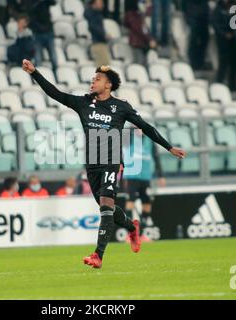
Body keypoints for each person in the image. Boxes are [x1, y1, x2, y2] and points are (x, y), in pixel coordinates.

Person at [22, 59, 186, 268]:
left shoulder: (121, 107)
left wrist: (169, 147)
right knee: (106, 206)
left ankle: (98, 255)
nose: (93, 82)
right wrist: (34, 72)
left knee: (106, 208)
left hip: (112, 161)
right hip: (92, 164)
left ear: (108, 85)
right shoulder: (83, 103)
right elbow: (55, 93)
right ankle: (131, 227)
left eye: (97, 79)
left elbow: (146, 127)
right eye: (93, 79)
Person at [123, 126, 166, 242]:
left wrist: (160, 175)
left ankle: (141, 234)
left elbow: (156, 158)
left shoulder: (150, 141)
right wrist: (133, 126)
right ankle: (129, 234)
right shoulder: (129, 138)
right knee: (130, 202)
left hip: (145, 177)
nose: (139, 129)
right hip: (131, 176)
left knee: (147, 203)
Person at [23, 0, 58, 75]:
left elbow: (53, 2)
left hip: (48, 32)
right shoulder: (30, 3)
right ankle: (39, 77)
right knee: (38, 58)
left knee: (53, 57)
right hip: (38, 34)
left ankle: (56, 74)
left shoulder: (45, 2)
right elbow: (29, 16)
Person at [124, 0, 157, 65]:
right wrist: (149, 40)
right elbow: (138, 29)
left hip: (144, 44)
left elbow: (145, 29)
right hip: (137, 43)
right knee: (138, 64)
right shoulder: (132, 15)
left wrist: (150, 40)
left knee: (144, 64)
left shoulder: (142, 15)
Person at [183, 0, 210, 70]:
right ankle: (193, 63)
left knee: (204, 39)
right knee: (193, 40)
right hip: (193, 14)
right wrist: (187, 16)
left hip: (204, 15)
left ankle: (200, 62)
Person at [84, 0, 111, 67]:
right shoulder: (93, 15)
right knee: (103, 67)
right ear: (94, 4)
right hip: (98, 43)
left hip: (99, 43)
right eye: (100, 3)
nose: (102, 5)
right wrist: (104, 35)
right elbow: (94, 28)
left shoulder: (95, 14)